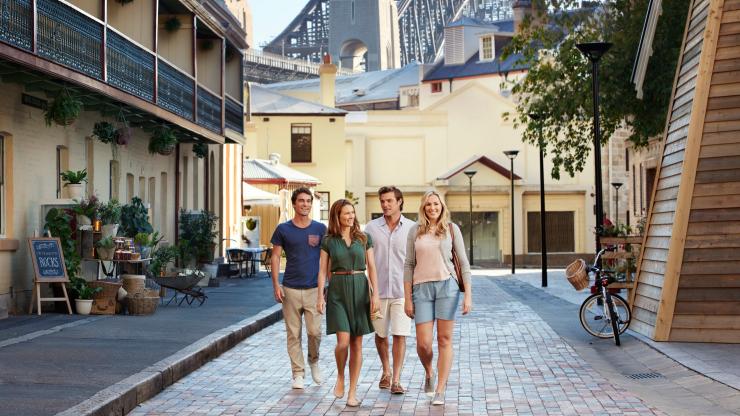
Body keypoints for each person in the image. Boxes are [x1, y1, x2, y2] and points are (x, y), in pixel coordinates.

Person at [403, 190, 472, 406]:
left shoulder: (451, 229)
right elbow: (408, 265)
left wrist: (467, 295)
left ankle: (440, 389)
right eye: (428, 204)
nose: (433, 208)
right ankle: (429, 371)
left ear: (442, 206)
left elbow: (463, 261)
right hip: (421, 289)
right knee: (423, 344)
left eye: (436, 204)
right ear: (423, 207)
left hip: (447, 287)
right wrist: (407, 298)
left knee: (444, 339)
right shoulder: (415, 231)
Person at [317, 199, 380, 407]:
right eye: (346, 213)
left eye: (352, 212)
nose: (350, 216)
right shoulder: (328, 241)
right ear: (337, 216)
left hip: (360, 288)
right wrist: (320, 296)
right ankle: (340, 376)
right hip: (337, 291)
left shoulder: (364, 238)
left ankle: (352, 391)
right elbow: (322, 271)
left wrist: (376, 296)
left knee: (357, 344)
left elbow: (371, 267)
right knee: (343, 342)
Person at [270, 187, 327, 390]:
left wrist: (324, 288)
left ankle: (314, 360)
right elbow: (275, 256)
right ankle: (298, 373)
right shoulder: (283, 229)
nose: (305, 204)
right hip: (290, 289)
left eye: (308, 201)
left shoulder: (320, 229)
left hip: (314, 289)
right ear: (294, 204)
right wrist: (276, 284)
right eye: (301, 201)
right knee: (293, 334)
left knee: (314, 332)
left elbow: (325, 259)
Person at [364, 186, 414, 394]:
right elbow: (364, 258)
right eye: (382, 201)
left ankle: (397, 379)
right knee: (381, 334)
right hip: (378, 291)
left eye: (389, 201)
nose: (385, 205)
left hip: (403, 292)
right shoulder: (371, 228)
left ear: (399, 201)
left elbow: (415, 261)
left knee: (400, 334)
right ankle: (386, 370)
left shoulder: (412, 228)